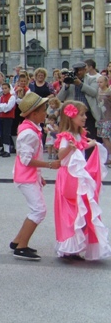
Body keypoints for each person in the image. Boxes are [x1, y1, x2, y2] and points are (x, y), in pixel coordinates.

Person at [53, 101, 111, 261]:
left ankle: (77, 245)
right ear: (71, 117)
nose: (85, 117)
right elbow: (60, 155)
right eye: (82, 114)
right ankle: (69, 247)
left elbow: (79, 147)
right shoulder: (66, 136)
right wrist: (70, 148)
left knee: (81, 209)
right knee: (71, 211)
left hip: (78, 175)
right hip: (68, 176)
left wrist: (89, 144)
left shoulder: (79, 135)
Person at [9, 93, 61, 261]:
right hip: (25, 177)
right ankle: (21, 247)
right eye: (43, 110)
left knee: (37, 209)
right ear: (34, 113)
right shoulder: (29, 133)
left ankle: (18, 241)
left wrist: (39, 175)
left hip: (28, 176)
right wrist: (49, 165)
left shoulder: (31, 129)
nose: (46, 113)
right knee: (39, 210)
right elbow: (26, 160)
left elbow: (30, 157)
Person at [57, 61, 99, 139]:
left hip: (87, 113)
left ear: (85, 70)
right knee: (74, 136)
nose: (78, 72)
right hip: (73, 114)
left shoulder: (92, 79)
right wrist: (66, 85)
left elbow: (94, 92)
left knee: (89, 136)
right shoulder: (70, 80)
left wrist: (80, 84)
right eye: (77, 70)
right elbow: (60, 98)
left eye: (80, 70)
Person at [0, 82, 16, 158]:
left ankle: (7, 151)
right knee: (2, 133)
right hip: (1, 117)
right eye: (3, 88)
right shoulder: (1, 97)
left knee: (6, 133)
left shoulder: (12, 97)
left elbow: (8, 107)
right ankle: (4, 149)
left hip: (8, 117)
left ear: (9, 89)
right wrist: (2, 107)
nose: (4, 90)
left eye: (6, 88)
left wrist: (1, 107)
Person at [97, 75, 111, 164]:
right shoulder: (98, 91)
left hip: (108, 117)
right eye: (98, 82)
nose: (99, 84)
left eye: (101, 82)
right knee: (103, 138)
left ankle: (110, 156)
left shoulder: (109, 92)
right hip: (101, 118)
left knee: (105, 137)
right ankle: (106, 156)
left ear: (106, 82)